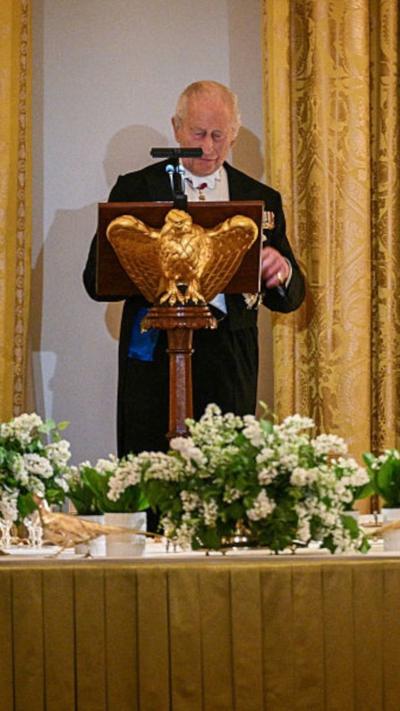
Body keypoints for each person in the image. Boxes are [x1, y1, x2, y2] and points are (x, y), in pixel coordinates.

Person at [83, 80, 305, 461]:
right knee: (150, 472)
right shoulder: (136, 189)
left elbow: (292, 296)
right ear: (176, 127)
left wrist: (280, 270)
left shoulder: (260, 198)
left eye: (220, 135)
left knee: (224, 480)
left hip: (228, 359)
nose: (208, 146)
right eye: (199, 133)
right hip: (154, 356)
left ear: (234, 134)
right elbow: (96, 280)